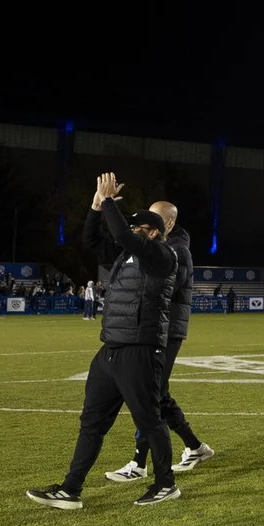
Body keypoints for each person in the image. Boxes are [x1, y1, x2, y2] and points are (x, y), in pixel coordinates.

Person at [25, 174, 180, 510]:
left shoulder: (162, 256)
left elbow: (122, 233)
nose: (134, 232)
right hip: (110, 349)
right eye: (134, 227)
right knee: (91, 422)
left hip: (140, 349)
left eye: (141, 228)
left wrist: (110, 203)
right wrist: (96, 207)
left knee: (149, 419)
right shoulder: (127, 255)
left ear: (155, 232)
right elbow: (91, 239)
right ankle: (70, 489)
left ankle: (166, 483)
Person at [105, 200, 213, 483]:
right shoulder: (160, 246)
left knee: (149, 393)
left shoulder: (178, 251)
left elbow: (164, 287)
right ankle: (195, 446)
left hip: (166, 330)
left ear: (168, 224)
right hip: (153, 329)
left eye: (155, 218)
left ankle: (139, 463)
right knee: (157, 393)